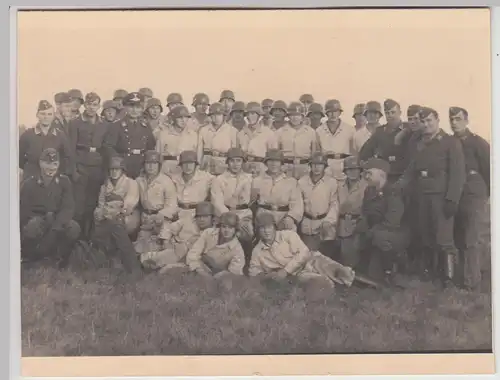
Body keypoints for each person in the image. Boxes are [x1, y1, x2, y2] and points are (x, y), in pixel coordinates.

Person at [395, 106, 466, 285]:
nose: (426, 125)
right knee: (426, 235)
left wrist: (452, 199)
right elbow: (412, 168)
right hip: (421, 195)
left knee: (444, 239)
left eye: (429, 121)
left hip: (441, 197)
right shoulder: (417, 142)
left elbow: (458, 174)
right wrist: (399, 185)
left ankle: (449, 278)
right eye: (423, 121)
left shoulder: (450, 142)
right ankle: (432, 273)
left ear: (437, 121)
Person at [248, 212, 356, 288]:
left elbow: (304, 252)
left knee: (340, 272)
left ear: (274, 227)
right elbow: (254, 273)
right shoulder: (258, 251)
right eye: (262, 228)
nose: (266, 231)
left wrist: (285, 271)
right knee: (322, 284)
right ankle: (333, 286)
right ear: (257, 231)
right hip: (297, 275)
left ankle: (350, 278)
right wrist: (270, 276)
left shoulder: (288, 235)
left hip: (311, 260)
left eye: (269, 227)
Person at [450, 106, 490, 291]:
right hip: (455, 195)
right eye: (452, 119)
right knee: (458, 237)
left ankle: (472, 281)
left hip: (474, 193)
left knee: (472, 238)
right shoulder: (449, 143)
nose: (455, 122)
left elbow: (490, 170)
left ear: (466, 121)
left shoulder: (478, 143)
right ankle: (462, 276)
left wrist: (488, 195)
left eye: (458, 119)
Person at [20, 148, 80, 265]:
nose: (51, 168)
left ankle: (60, 257)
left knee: (73, 228)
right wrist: (38, 219)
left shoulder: (64, 181)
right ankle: (30, 256)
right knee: (32, 226)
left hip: (57, 219)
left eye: (54, 164)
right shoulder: (30, 183)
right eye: (47, 163)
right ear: (41, 163)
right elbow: (24, 209)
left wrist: (56, 226)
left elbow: (68, 207)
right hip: (38, 219)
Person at [356, 158, 410, 283]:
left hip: (396, 233)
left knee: (381, 237)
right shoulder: (369, 191)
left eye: (370, 173)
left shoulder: (393, 192)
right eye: (365, 173)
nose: (366, 176)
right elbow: (366, 212)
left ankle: (393, 267)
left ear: (381, 174)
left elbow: (393, 221)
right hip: (377, 232)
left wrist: (372, 232)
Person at [91, 156, 142, 274]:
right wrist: (100, 213)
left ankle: (133, 266)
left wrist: (110, 212)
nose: (114, 172)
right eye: (112, 169)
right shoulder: (104, 186)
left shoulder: (131, 183)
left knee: (116, 226)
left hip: (129, 216)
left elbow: (129, 204)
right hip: (109, 217)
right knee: (104, 228)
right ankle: (112, 262)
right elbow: (100, 205)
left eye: (117, 169)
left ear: (122, 170)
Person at [68, 92, 109, 238]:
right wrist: (73, 171)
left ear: (98, 106)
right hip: (80, 167)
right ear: (84, 105)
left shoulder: (104, 124)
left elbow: (106, 149)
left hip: (96, 168)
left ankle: (89, 238)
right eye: (89, 104)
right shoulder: (75, 123)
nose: (91, 107)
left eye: (95, 104)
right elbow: (70, 149)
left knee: (93, 204)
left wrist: (105, 171)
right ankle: (76, 239)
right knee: (79, 206)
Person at [140, 202, 215, 273]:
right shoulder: (188, 221)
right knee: (153, 258)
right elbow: (169, 228)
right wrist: (165, 241)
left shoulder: (214, 232)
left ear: (212, 218)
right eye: (199, 216)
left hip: (194, 256)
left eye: (205, 216)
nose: (202, 219)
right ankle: (146, 261)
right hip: (176, 248)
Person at [133, 151, 178, 260]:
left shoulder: (166, 181)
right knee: (139, 248)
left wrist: (161, 215)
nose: (151, 166)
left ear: (159, 165)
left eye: (154, 163)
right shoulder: (139, 180)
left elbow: (172, 205)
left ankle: (165, 257)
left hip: (162, 218)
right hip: (146, 218)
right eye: (148, 163)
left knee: (164, 240)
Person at [103, 92, 156, 179]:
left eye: (138, 107)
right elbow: (108, 147)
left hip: (141, 167)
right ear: (125, 107)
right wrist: (118, 163)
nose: (134, 110)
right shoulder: (116, 125)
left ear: (142, 109)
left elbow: (150, 147)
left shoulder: (146, 126)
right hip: (123, 167)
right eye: (131, 107)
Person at [359, 99, 411, 184]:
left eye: (393, 112)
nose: (390, 115)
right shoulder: (380, 132)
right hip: (386, 178)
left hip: (405, 176)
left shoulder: (409, 128)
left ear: (400, 113)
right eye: (387, 113)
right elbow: (364, 154)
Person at [19, 100, 74, 180]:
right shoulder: (27, 135)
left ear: (53, 116)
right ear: (37, 115)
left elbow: (68, 157)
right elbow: (20, 159)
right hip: (32, 178)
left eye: (49, 114)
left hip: (54, 179)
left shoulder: (60, 136)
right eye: (43, 114)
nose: (46, 117)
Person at [251, 149, 303, 232]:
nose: (274, 164)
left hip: (283, 216)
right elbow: (251, 202)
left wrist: (291, 217)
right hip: (264, 216)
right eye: (271, 160)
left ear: (281, 163)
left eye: (277, 161)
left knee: (289, 232)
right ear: (266, 163)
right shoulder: (257, 180)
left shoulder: (291, 182)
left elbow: (297, 205)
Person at [298, 152, 339, 252]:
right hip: (307, 223)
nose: (316, 167)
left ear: (324, 166)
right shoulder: (302, 182)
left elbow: (334, 204)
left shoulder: (331, 182)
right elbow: (298, 204)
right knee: (308, 255)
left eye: (320, 165)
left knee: (325, 257)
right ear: (310, 165)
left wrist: (329, 221)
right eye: (314, 164)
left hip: (325, 222)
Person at [211, 148, 254, 243]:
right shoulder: (219, 179)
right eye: (232, 161)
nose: (235, 164)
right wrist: (234, 220)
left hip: (244, 215)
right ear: (227, 162)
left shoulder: (249, 178)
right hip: (226, 214)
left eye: (238, 161)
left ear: (243, 162)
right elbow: (217, 203)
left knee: (248, 234)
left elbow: (254, 199)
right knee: (223, 237)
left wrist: (243, 219)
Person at [186, 212, 246, 278]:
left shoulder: (237, 250)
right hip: (199, 269)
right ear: (219, 226)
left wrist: (214, 277)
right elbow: (193, 253)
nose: (227, 230)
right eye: (224, 226)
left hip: (219, 278)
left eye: (230, 228)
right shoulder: (208, 233)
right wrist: (198, 269)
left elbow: (233, 273)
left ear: (235, 229)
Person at [335, 156, 369, 267]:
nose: (352, 172)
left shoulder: (366, 186)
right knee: (341, 257)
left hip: (357, 224)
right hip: (340, 224)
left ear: (360, 171)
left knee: (353, 258)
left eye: (355, 169)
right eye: (349, 170)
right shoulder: (340, 185)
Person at [275, 102, 318, 180]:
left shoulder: (310, 132)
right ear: (288, 116)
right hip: (287, 166)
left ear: (302, 116)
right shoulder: (280, 132)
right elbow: (276, 153)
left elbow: (314, 152)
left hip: (304, 166)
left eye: (298, 115)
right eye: (292, 115)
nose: (295, 118)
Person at [169, 150, 214, 222]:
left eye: (191, 163)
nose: (188, 166)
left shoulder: (206, 177)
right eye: (185, 163)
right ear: (180, 165)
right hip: (179, 212)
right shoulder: (174, 178)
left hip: (198, 213)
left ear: (195, 164)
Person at [237, 102, 278, 177]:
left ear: (259, 116)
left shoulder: (268, 133)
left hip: (262, 168)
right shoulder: (241, 133)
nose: (249, 116)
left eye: (253, 114)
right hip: (245, 168)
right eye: (247, 114)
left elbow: (274, 155)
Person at [316, 99, 355, 179]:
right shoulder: (319, 130)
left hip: (344, 163)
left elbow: (353, 151)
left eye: (336, 111)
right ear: (326, 113)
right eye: (330, 112)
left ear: (340, 112)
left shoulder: (349, 129)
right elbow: (318, 150)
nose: (333, 114)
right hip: (327, 164)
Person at [156, 105, 199, 177]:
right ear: (174, 119)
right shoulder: (163, 134)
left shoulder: (194, 135)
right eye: (180, 117)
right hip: (168, 169)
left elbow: (197, 156)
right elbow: (158, 155)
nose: (183, 120)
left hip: (186, 169)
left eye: (186, 117)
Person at [197, 102, 238, 176]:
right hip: (207, 163)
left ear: (223, 116)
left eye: (218, 115)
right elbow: (199, 152)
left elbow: (234, 152)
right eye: (213, 115)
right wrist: (198, 166)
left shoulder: (232, 130)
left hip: (224, 162)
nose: (216, 117)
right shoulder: (203, 130)